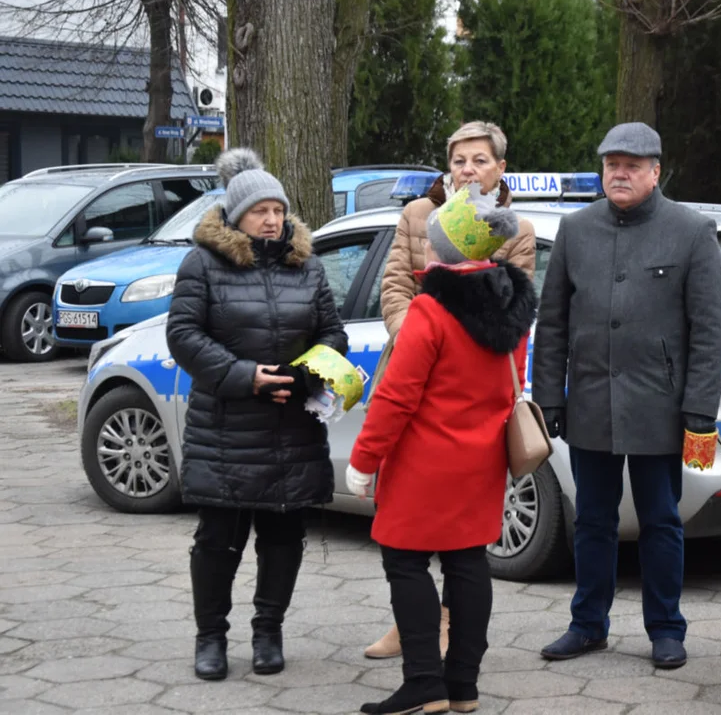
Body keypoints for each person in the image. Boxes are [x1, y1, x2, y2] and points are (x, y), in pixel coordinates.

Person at [531, 122, 721, 669]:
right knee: (591, 521)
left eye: (633, 165)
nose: (620, 173)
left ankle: (666, 628)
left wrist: (698, 412)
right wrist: (550, 394)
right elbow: (551, 323)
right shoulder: (575, 230)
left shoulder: (691, 232)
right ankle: (587, 624)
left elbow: (710, 332)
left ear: (656, 172)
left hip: (660, 412)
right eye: (612, 164)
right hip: (590, 405)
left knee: (661, 520)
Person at [346, 182, 536, 714]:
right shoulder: (507, 310)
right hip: (481, 464)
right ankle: (464, 687)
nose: (425, 249)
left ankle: (424, 681)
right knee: (468, 564)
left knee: (405, 562)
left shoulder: (430, 313)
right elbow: (508, 388)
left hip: (423, 466)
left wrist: (364, 461)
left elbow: (395, 398)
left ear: (445, 250)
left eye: (431, 242)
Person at [166, 147, 348, 682]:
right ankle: (211, 639)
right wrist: (246, 376)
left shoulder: (307, 266)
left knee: (284, 539)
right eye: (260, 211)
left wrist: (307, 374)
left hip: (291, 427)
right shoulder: (202, 263)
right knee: (219, 540)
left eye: (278, 210)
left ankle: (269, 631)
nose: (272, 219)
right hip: (226, 430)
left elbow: (331, 333)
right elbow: (183, 334)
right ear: (235, 216)